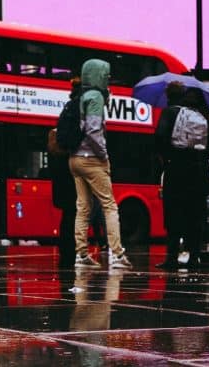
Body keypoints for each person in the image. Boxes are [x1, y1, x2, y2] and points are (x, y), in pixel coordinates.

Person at [69, 58, 132, 269]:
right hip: (92, 159)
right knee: (110, 206)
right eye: (106, 75)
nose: (108, 79)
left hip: (75, 159)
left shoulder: (81, 95)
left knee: (83, 207)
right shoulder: (95, 96)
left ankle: (81, 254)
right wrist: (104, 155)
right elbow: (93, 130)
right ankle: (117, 253)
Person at [154, 83, 209, 269]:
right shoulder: (203, 115)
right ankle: (194, 257)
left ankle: (172, 258)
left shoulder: (170, 112)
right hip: (199, 173)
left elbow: (159, 137)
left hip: (177, 171)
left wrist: (166, 159)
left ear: (169, 96)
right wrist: (202, 157)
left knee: (173, 214)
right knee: (195, 216)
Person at [48, 77, 82, 267]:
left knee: (69, 215)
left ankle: (67, 251)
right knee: (74, 214)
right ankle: (71, 252)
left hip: (62, 173)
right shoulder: (77, 109)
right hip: (71, 172)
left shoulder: (67, 108)